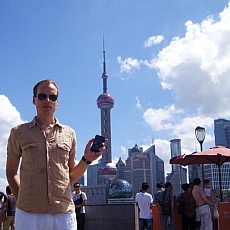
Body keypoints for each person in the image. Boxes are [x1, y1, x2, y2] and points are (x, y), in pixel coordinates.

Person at [6, 79, 106, 230]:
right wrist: (22, 200)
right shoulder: (18, 132)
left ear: (57, 102)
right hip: (28, 214)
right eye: (42, 96)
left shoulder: (69, 133)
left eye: (52, 97)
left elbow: (70, 177)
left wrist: (87, 159)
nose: (47, 100)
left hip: (64, 213)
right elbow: (11, 172)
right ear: (34, 100)